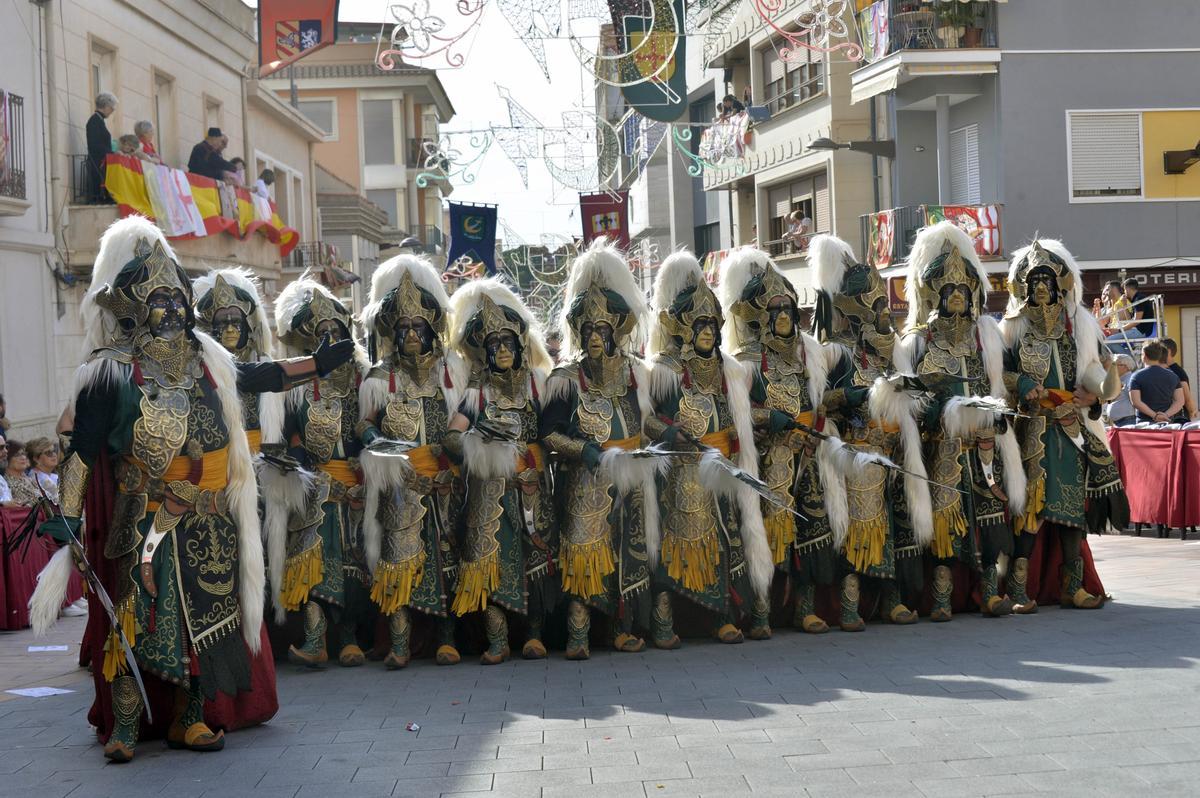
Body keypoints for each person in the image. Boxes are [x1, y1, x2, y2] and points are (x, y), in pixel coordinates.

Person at [28, 216, 350, 762]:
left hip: (210, 517)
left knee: (209, 620)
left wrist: (315, 365)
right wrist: (71, 516)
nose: (174, 310)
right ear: (134, 309)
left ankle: (191, 718)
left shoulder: (210, 362)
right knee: (139, 619)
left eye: (178, 298)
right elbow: (82, 451)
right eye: (160, 300)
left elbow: (261, 375)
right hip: (143, 516)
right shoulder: (110, 372)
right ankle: (126, 727)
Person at [897, 222, 1026, 620]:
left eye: (962, 290)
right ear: (936, 295)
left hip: (984, 446)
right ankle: (941, 599)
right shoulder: (917, 340)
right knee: (945, 523)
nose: (956, 295)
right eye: (949, 290)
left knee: (990, 520)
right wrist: (940, 413)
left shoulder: (985, 336)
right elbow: (910, 396)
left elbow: (1001, 384)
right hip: (942, 448)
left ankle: (991, 593)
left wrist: (998, 416)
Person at [645, 250, 774, 645]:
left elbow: (755, 411)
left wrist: (755, 429)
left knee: (726, 543)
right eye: (698, 323)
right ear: (683, 327)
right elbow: (646, 419)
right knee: (676, 547)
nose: (705, 330)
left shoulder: (731, 369)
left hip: (724, 471)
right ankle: (666, 621)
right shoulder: (663, 370)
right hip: (681, 474)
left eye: (710, 324)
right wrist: (670, 432)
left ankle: (723, 616)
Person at [541, 239, 658, 658]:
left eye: (602, 330)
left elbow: (647, 420)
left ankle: (623, 627)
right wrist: (583, 451)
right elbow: (549, 434)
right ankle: (578, 633)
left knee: (629, 553)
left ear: (615, 333)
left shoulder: (637, 373)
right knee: (584, 554)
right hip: (585, 482)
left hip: (631, 478)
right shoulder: (564, 379)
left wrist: (668, 432)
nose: (594, 336)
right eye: (588, 330)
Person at [719, 245, 842, 634]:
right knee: (770, 535)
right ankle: (761, 612)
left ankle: (804, 608)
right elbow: (736, 414)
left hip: (809, 455)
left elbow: (820, 403)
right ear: (761, 318)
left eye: (789, 309)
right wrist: (768, 419)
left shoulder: (810, 356)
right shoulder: (746, 362)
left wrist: (820, 427)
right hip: (771, 461)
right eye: (776, 312)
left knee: (812, 532)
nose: (784, 317)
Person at [811, 235, 932, 629]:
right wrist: (859, 394)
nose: (884, 311)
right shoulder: (835, 352)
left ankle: (891, 600)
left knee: (897, 527)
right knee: (859, 529)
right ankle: (850, 605)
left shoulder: (891, 350)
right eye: (877, 304)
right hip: (856, 453)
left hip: (894, 449)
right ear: (858, 310)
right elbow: (821, 402)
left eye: (884, 304)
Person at [1001, 239, 1127, 612]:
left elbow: (1092, 378)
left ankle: (1073, 586)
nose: (1041, 287)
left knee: (1072, 508)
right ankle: (1019, 590)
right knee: (1030, 510)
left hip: (1071, 428)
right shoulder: (1011, 332)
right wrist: (1024, 385)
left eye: (1047, 280)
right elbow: (1002, 376)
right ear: (1023, 287)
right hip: (1033, 430)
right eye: (1035, 280)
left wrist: (1102, 386)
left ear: (1060, 286)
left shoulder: (1075, 334)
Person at [356, 254, 468, 669]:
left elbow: (464, 418)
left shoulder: (451, 370)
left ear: (430, 328)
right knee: (398, 562)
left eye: (418, 326)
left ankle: (447, 638)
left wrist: (456, 446)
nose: (411, 334)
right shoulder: (377, 377)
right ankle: (400, 644)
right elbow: (362, 426)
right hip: (400, 483)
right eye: (402, 328)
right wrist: (376, 442)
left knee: (447, 558)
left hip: (443, 480)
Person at [444, 278, 558, 664]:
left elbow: (554, 432)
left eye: (508, 343)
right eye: (494, 345)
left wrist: (537, 454)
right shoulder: (478, 391)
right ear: (485, 352)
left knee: (535, 562)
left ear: (519, 346)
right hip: (489, 493)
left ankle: (536, 635)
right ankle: (497, 639)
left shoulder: (537, 384)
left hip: (530, 488)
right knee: (488, 562)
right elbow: (452, 437)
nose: (503, 350)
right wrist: (476, 445)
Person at [269, 278, 370, 669]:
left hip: (358, 485)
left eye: (335, 331)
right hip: (314, 488)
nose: (329, 338)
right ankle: (316, 639)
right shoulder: (296, 383)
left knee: (355, 565)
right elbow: (290, 431)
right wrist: (296, 461)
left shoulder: (366, 379)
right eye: (321, 333)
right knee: (312, 565)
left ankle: (349, 639)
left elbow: (375, 426)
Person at [1129, 341, 1184, 423]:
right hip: (1167, 422)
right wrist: (1165, 415)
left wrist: (1155, 416)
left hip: (1144, 423)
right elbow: (1180, 401)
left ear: (1144, 356)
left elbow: (1136, 402)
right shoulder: (1173, 376)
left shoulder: (1136, 376)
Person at [86, 92, 117, 202]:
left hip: (101, 162)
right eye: (112, 108)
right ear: (106, 106)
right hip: (97, 163)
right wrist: (112, 153)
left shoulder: (98, 120)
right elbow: (96, 145)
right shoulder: (94, 121)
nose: (112, 111)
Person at [1104, 278, 1149, 353]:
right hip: (1136, 330)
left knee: (1108, 341)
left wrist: (1118, 330)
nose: (1124, 292)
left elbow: (1136, 321)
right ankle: (1128, 358)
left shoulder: (1139, 299)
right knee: (1107, 341)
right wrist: (1124, 305)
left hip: (1140, 331)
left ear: (1127, 288)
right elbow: (1131, 320)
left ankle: (1129, 358)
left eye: (1124, 289)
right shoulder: (1136, 299)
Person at [1161, 338, 1197, 421]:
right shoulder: (1164, 369)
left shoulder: (1177, 371)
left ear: (1168, 351)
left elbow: (1187, 398)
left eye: (1160, 349)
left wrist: (1192, 411)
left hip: (1178, 417)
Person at [1, 440, 38, 507]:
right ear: (7, 458)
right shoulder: (9, 483)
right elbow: (23, 506)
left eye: (23, 454)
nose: (23, 457)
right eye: (17, 455)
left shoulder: (28, 478)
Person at [1104, 354, 1137, 426]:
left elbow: (1136, 400)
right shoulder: (1120, 379)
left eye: (1114, 365)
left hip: (1128, 421)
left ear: (1126, 367)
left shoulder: (1130, 379)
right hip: (1121, 422)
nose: (1111, 368)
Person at [26, 437, 60, 504]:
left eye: (54, 451)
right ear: (36, 458)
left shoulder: (52, 475)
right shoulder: (38, 478)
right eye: (48, 453)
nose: (54, 455)